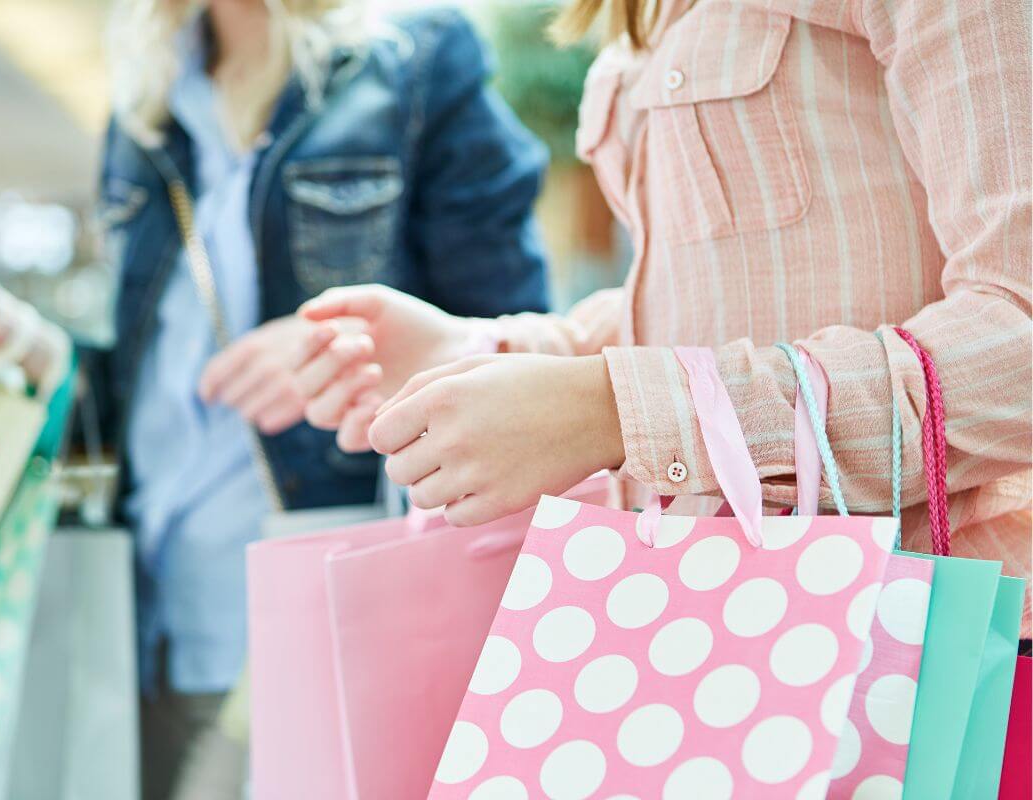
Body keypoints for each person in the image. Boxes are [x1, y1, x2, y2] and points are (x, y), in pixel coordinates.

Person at [0, 0, 552, 796]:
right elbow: (146, 392)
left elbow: (516, 349)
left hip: (340, 603)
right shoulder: (148, 107)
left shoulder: (418, 58)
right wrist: (13, 333)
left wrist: (344, 353)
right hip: (155, 615)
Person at [293, 0, 1032, 629]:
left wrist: (620, 409)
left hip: (934, 644)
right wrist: (504, 348)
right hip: (725, 623)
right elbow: (719, 299)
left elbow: (1019, 335)